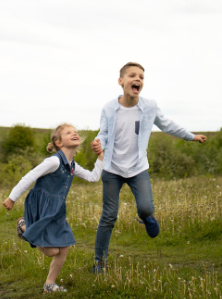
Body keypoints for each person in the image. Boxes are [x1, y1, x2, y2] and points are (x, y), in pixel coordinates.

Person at [89, 62, 207, 272]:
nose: (138, 80)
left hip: (137, 168)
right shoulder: (109, 107)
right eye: (132, 76)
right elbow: (104, 133)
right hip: (112, 169)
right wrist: (98, 142)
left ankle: (146, 217)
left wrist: (191, 136)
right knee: (108, 216)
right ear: (121, 81)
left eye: (141, 77)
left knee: (145, 208)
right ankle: (100, 263)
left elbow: (167, 124)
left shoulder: (149, 106)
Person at [2, 124, 104, 293]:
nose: (74, 133)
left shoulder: (72, 166)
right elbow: (30, 177)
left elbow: (93, 178)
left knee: (64, 247)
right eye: (68, 132)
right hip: (41, 206)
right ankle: (25, 227)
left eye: (75, 132)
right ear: (58, 142)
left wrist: (100, 157)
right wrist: (12, 197)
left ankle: (49, 284)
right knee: (51, 251)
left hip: (57, 210)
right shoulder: (54, 161)